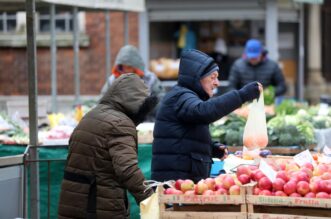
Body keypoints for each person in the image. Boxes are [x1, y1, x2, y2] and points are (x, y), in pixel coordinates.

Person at [151, 49, 262, 183]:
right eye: (213, 77)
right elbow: (203, 112)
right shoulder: (180, 97)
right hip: (174, 187)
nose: (217, 83)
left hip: (181, 183)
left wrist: (210, 148)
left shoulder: (185, 96)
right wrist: (242, 95)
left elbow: (184, 137)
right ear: (197, 77)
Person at [58, 73, 158, 219]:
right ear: (135, 104)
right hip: (98, 205)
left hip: (74, 201)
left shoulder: (91, 115)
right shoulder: (120, 123)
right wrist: (150, 200)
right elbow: (128, 170)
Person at [100, 45, 164, 120]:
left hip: (147, 122)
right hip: (118, 122)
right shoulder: (112, 80)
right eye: (123, 67)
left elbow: (162, 103)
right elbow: (102, 103)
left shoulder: (150, 79)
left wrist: (148, 106)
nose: (126, 70)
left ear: (136, 66)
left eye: (129, 67)